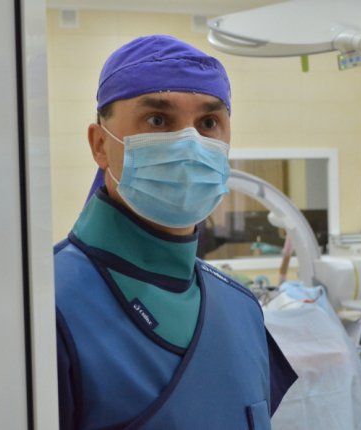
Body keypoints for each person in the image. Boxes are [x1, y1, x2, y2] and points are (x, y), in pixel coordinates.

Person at [54, 34, 298, 430]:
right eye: (158, 120)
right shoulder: (49, 306)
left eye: (208, 123)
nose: (189, 144)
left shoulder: (240, 308)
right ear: (100, 144)